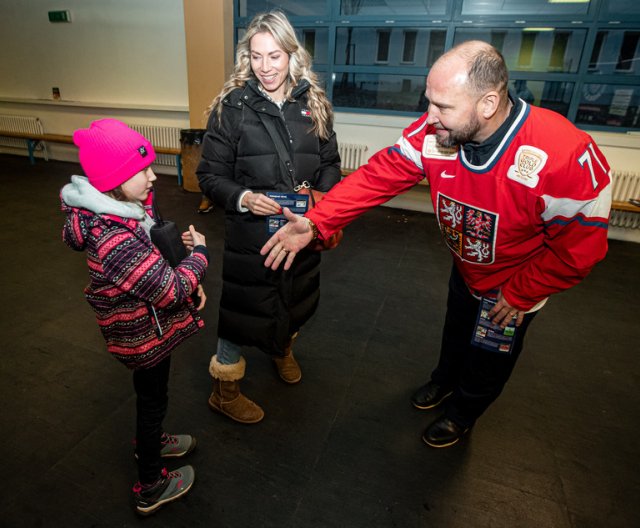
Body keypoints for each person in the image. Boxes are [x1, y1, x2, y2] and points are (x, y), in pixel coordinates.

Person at [261, 40, 611, 448]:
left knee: (489, 358)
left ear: (488, 103)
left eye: (443, 106)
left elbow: (578, 252)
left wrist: (521, 295)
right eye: (429, 102)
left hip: (516, 285)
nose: (429, 117)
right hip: (466, 269)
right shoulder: (435, 134)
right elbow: (379, 176)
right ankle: (443, 382)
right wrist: (317, 222)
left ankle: (463, 414)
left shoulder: (562, 155)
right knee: (457, 332)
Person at [196, 10, 341, 424]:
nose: (265, 67)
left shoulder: (314, 102)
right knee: (243, 308)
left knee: (295, 296)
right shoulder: (232, 107)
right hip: (252, 235)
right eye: (257, 57)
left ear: (292, 55)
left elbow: (330, 163)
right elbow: (208, 175)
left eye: (274, 56)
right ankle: (224, 389)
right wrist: (243, 197)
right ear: (247, 57)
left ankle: (282, 348)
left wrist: (319, 196)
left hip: (302, 228)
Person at [60, 119, 210, 514]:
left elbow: (150, 255)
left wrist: (179, 254)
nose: (152, 176)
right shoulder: (112, 234)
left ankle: (152, 440)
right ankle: (150, 484)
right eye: (140, 170)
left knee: (152, 395)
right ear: (113, 178)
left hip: (149, 328)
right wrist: (201, 258)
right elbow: (169, 290)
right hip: (144, 335)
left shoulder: (123, 212)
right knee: (152, 400)